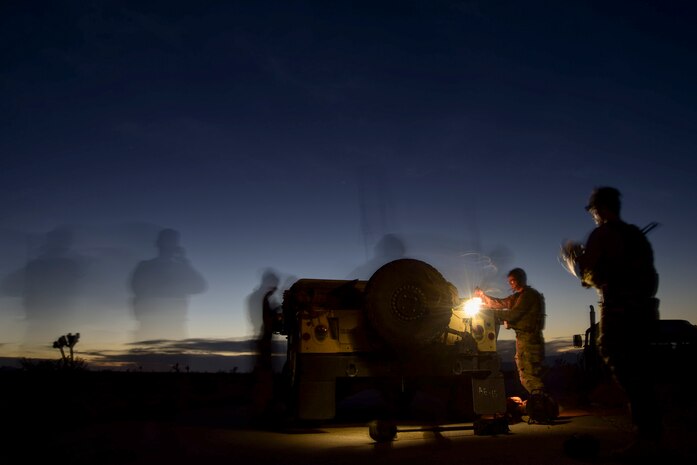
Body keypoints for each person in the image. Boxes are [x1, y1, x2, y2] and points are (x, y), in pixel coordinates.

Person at [563, 186, 662, 458]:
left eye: (593, 211)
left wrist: (572, 257)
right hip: (644, 311)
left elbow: (587, 276)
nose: (593, 216)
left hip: (618, 311)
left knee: (627, 370)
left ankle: (646, 438)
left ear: (598, 210)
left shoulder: (603, 234)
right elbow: (650, 278)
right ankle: (650, 435)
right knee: (641, 371)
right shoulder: (635, 236)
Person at [474, 268, 547, 397]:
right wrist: (483, 297)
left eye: (513, 280)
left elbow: (513, 314)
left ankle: (541, 405)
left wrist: (490, 313)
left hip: (530, 340)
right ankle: (541, 403)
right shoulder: (518, 296)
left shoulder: (529, 295)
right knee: (525, 373)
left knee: (529, 374)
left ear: (521, 279)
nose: (511, 284)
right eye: (510, 281)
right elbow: (501, 303)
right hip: (524, 340)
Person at [130, 228, 207, 343]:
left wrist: (185, 263)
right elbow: (136, 288)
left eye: (173, 242)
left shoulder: (181, 267)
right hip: (150, 322)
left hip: (174, 323)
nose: (169, 245)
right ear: (158, 243)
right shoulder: (145, 266)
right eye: (167, 241)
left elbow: (200, 286)